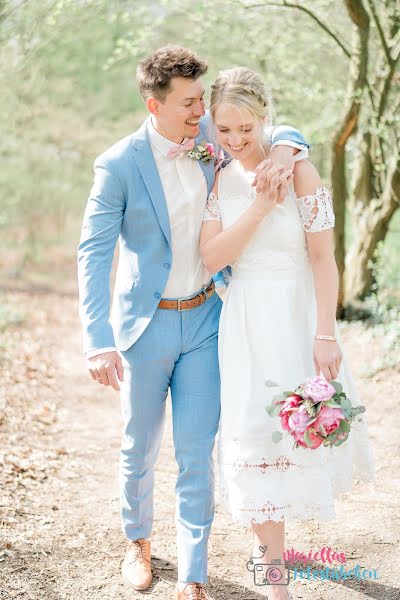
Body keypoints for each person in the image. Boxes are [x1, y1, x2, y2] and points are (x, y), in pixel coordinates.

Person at [77, 46, 309, 600]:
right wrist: (98, 341)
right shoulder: (118, 164)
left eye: (201, 98)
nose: (200, 110)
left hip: (207, 317)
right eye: (188, 101)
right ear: (153, 105)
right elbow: (93, 253)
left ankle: (193, 572)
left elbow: (284, 126)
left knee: (197, 447)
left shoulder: (210, 133)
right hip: (144, 326)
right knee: (140, 443)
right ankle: (137, 541)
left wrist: (280, 147)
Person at [200, 67, 374, 600]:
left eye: (245, 130)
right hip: (247, 318)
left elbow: (324, 258)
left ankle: (283, 552)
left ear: (265, 119)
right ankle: (273, 576)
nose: (234, 141)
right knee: (251, 434)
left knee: (299, 427)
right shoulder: (213, 175)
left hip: (298, 315)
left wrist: (326, 334)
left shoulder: (300, 171)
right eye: (223, 130)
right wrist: (258, 205)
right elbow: (212, 257)